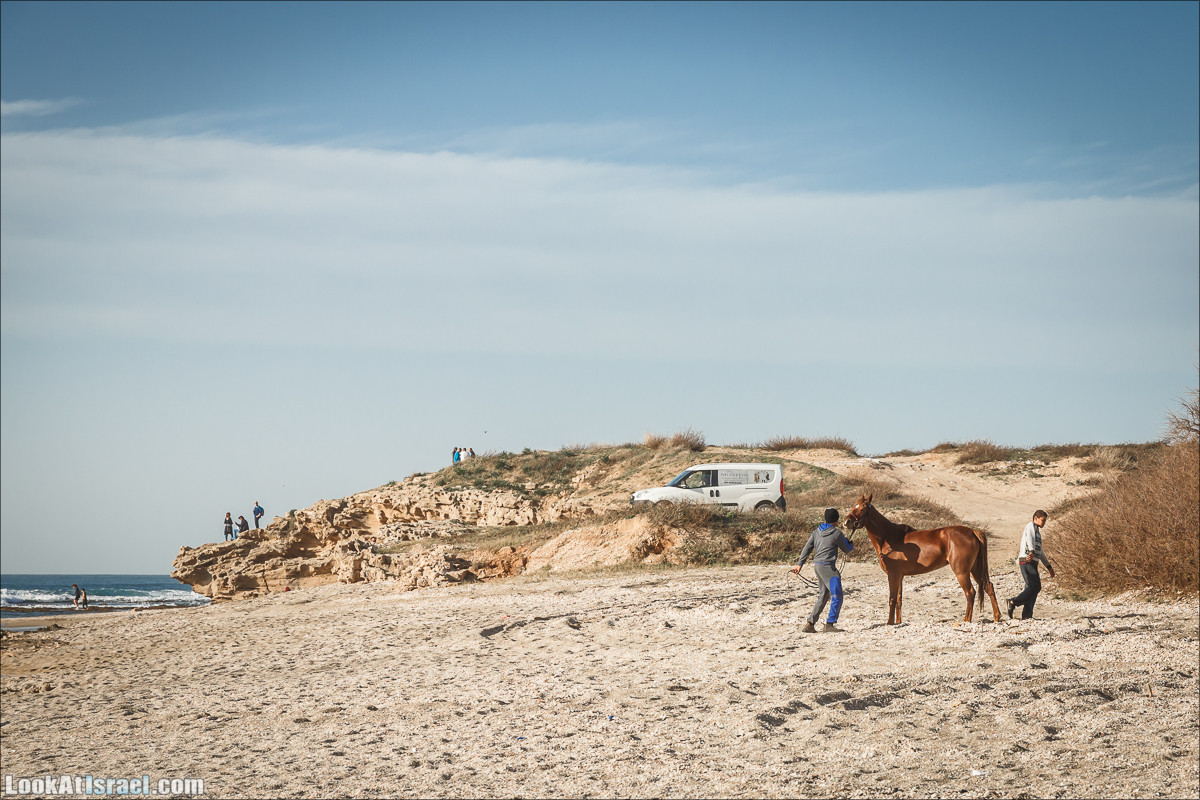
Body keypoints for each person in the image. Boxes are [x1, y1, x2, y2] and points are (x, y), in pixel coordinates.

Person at [791, 508, 854, 632]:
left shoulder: (816, 532)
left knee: (824, 595)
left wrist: (799, 564)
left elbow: (807, 548)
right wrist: (850, 544)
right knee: (837, 595)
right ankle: (829, 624)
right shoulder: (837, 534)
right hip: (828, 567)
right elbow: (847, 549)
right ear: (836, 520)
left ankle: (810, 623)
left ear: (826, 519)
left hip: (818, 566)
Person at [1007, 510, 1055, 620]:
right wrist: (1031, 551)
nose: (1044, 523)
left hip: (1033, 562)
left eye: (1045, 521)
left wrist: (1049, 567)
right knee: (1035, 586)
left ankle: (1027, 615)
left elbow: (1041, 552)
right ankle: (1013, 602)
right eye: (1042, 520)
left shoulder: (1037, 532)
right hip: (1026, 560)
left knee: (1031, 588)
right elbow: (1029, 539)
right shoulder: (1030, 526)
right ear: (1035, 518)